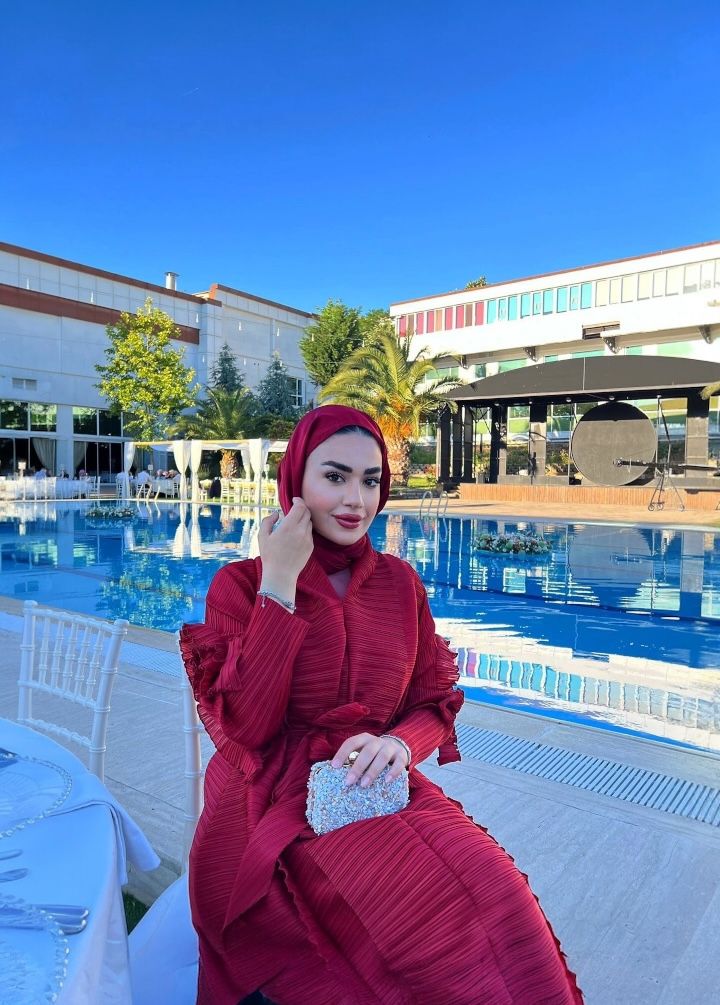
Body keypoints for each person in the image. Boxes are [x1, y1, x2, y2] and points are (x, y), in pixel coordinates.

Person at [180, 405, 583, 1005]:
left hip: (376, 785)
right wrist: (279, 586)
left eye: (370, 481)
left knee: (496, 897)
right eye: (334, 477)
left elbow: (433, 701)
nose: (356, 500)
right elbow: (247, 729)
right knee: (393, 932)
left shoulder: (399, 584)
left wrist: (399, 744)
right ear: (296, 480)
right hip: (267, 800)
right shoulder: (241, 586)